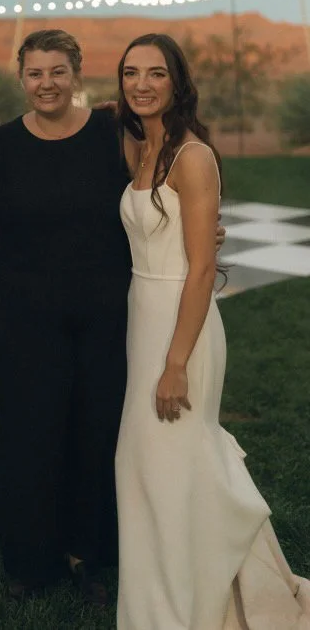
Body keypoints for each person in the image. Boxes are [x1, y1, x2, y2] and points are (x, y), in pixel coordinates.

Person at [115, 33, 310, 629]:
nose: (142, 84)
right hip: (141, 318)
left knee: (175, 466)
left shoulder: (193, 157)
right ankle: (170, 598)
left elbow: (201, 269)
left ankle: (191, 608)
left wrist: (176, 364)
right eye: (130, 73)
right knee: (149, 470)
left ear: (178, 82)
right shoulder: (138, 146)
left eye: (156, 73)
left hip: (183, 326)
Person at [0, 29, 140, 605]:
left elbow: (156, 192)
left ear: (76, 74)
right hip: (24, 314)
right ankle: (30, 559)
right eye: (35, 73)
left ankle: (87, 553)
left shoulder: (111, 133)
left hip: (103, 309)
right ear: (21, 79)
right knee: (30, 433)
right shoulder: (1, 144)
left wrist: (203, 224)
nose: (47, 84)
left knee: (96, 429)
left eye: (57, 72)